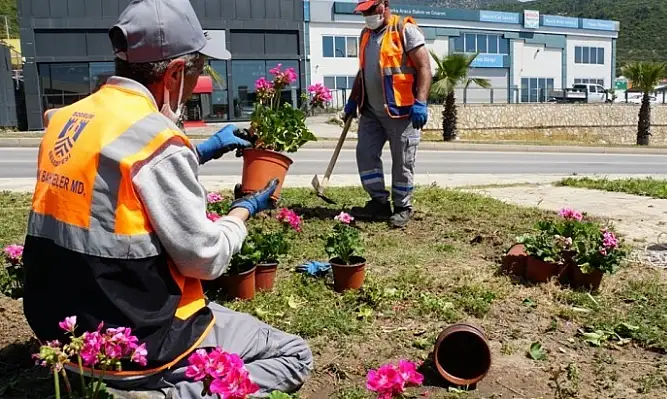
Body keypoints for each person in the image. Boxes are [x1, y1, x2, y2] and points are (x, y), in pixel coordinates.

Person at [21, 0, 313, 397]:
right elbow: (204, 259)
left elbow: (111, 183)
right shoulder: (157, 141)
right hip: (138, 338)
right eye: (195, 73)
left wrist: (201, 150)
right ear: (174, 73)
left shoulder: (66, 119)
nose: (194, 85)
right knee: (294, 355)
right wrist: (241, 213)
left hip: (66, 333)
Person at [345, 0, 433, 228]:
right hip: (371, 111)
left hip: (401, 112)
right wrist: (352, 100)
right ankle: (379, 201)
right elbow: (363, 72)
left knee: (402, 161)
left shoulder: (405, 29)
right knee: (365, 154)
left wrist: (421, 102)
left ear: (384, 5)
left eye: (371, 10)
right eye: (363, 12)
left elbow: (424, 67)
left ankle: (403, 206)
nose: (367, 15)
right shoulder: (366, 34)